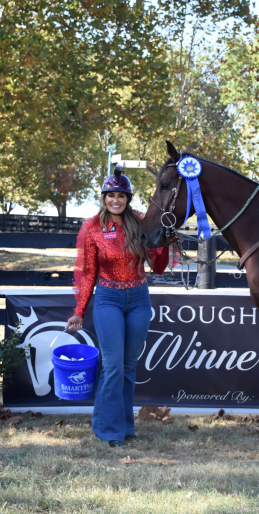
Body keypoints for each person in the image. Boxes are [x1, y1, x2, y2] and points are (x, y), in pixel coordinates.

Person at [67, 168, 168, 447]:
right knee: (112, 366)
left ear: (128, 198)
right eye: (111, 195)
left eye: (121, 195)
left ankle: (125, 427)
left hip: (138, 298)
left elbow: (157, 266)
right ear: (104, 197)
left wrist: (165, 243)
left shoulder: (141, 221)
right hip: (108, 299)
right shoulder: (92, 228)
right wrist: (79, 310)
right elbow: (88, 274)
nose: (116, 200)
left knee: (128, 365)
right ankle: (106, 428)